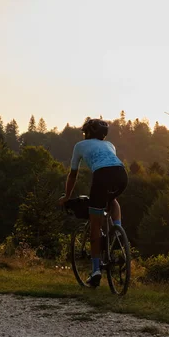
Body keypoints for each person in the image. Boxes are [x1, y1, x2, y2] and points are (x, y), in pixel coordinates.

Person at [58, 118, 128, 287]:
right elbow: (111, 165)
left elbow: (73, 174)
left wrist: (67, 196)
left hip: (101, 176)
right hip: (121, 174)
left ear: (88, 133)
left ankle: (96, 270)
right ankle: (117, 230)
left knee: (95, 226)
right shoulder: (110, 145)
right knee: (112, 201)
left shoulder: (79, 146)